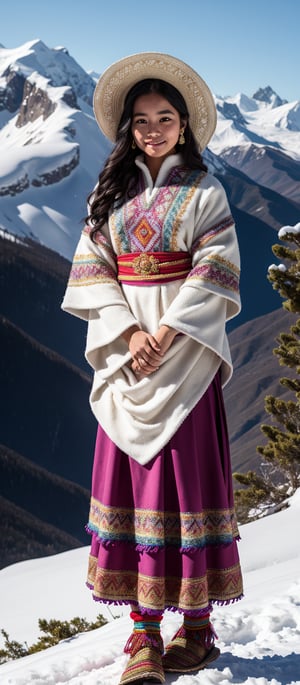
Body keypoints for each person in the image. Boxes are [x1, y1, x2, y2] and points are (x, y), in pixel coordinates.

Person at [62, 52, 243, 685]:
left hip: (185, 354)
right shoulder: (109, 194)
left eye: (165, 117)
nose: (154, 129)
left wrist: (166, 330)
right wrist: (129, 331)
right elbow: (91, 273)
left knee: (183, 483)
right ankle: (143, 633)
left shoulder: (205, 190)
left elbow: (216, 267)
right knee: (134, 486)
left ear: (185, 124)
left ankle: (195, 629)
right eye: (141, 120)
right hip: (127, 353)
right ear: (127, 129)